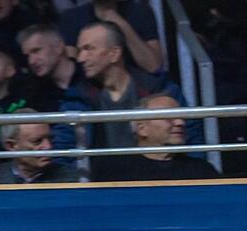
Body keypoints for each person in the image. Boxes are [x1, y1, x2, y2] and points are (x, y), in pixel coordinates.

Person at [59, 21, 203, 153]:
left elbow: (192, 141)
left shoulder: (161, 90)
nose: (81, 58)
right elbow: (64, 151)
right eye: (80, 50)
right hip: (101, 180)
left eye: (88, 49)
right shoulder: (77, 98)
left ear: (114, 54)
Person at [91, 95, 220, 181]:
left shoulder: (201, 171)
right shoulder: (113, 171)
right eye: (169, 116)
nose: (180, 122)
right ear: (142, 128)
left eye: (181, 116)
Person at [0, 110, 80, 184]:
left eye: (50, 139)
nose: (48, 146)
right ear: (11, 146)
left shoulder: (68, 179)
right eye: (37, 141)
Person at [59, 0, 162, 74]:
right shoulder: (71, 17)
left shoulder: (140, 12)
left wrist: (121, 24)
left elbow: (154, 66)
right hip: (90, 93)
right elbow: (72, 71)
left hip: (137, 87)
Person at [18, 23, 84, 113]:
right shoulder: (35, 93)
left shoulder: (90, 77)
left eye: (36, 51)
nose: (31, 61)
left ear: (59, 47)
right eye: (27, 56)